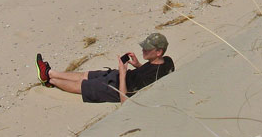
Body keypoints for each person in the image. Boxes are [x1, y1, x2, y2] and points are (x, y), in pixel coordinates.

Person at [35, 32, 174, 103]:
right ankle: (50, 72)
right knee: (86, 75)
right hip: (119, 75)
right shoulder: (167, 61)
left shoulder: (149, 77)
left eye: (147, 49)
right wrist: (138, 65)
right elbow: (152, 71)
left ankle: (50, 81)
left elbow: (125, 99)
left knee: (82, 85)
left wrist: (123, 73)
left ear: (158, 52)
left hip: (116, 88)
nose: (143, 50)